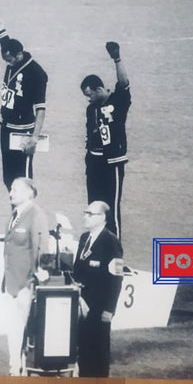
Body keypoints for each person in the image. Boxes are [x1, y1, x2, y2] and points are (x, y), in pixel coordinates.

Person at [0, 0, 48, 190]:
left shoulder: (36, 73)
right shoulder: (9, 48)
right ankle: (16, 215)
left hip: (23, 132)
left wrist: (34, 138)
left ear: (19, 54)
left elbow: (41, 109)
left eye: (10, 60)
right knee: (9, 179)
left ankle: (28, 220)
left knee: (23, 179)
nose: (7, 63)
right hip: (6, 128)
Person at [80, 41, 131, 240]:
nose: (88, 99)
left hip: (112, 164)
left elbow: (124, 83)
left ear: (99, 88)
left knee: (111, 208)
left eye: (90, 94)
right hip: (93, 164)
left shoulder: (118, 101)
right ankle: (96, 248)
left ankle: (115, 254)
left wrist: (116, 58)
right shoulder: (90, 109)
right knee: (93, 206)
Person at [2, 177, 49, 376]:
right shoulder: (15, 214)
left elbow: (41, 248)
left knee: (24, 327)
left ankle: (22, 367)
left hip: (26, 282)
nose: (10, 193)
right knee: (13, 326)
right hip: (12, 282)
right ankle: (15, 367)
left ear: (29, 192)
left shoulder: (36, 214)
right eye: (11, 189)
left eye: (15, 189)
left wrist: (37, 276)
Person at [73, 201, 124, 377]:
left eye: (90, 214)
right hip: (82, 304)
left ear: (103, 218)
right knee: (84, 349)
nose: (85, 217)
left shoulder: (110, 242)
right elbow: (77, 271)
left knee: (99, 352)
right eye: (85, 213)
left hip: (100, 307)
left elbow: (116, 278)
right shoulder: (84, 238)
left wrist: (109, 309)